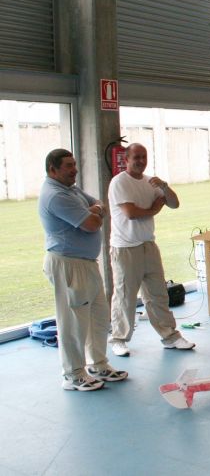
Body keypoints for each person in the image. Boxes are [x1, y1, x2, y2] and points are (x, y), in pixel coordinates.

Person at [38, 149, 128, 391]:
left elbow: (98, 203)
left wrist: (95, 209)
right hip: (68, 264)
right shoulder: (55, 195)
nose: (74, 170)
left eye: (75, 164)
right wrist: (96, 212)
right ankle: (73, 374)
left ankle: (98, 363)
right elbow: (91, 224)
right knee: (73, 322)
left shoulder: (71, 189)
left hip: (87, 264)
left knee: (98, 316)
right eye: (68, 166)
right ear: (52, 169)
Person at [108, 143, 194, 356]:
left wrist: (164, 187)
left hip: (148, 245)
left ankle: (170, 336)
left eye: (144, 157)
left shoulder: (151, 182)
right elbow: (130, 213)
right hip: (125, 247)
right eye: (136, 157)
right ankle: (118, 339)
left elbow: (174, 203)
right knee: (125, 296)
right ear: (126, 159)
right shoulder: (119, 182)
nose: (140, 161)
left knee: (157, 294)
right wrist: (156, 207)